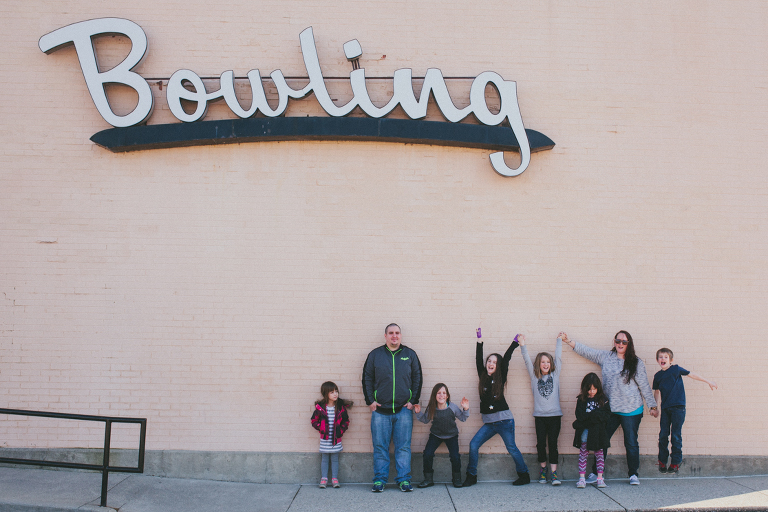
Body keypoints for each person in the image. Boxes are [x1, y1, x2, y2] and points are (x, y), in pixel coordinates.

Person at [562, 330, 658, 485]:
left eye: (624, 342)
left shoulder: (636, 362)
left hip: (631, 409)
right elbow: (587, 352)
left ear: (629, 344)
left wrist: (652, 405)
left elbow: (644, 385)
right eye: (618, 341)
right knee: (600, 440)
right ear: (614, 342)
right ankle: (596, 473)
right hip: (609, 410)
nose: (620, 344)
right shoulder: (606, 357)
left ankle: (633, 474)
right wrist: (568, 341)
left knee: (631, 442)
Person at [463, 329, 530, 487]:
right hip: (489, 423)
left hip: (504, 421)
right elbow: (478, 359)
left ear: (498, 366)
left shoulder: (501, 376)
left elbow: (506, 359)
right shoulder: (482, 375)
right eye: (489, 361)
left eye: (494, 362)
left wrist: (514, 343)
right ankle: (471, 476)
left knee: (511, 448)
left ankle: (524, 475)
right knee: (473, 445)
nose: (490, 364)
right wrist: (479, 340)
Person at [362, 323, 422, 492]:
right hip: (380, 411)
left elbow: (418, 378)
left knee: (403, 447)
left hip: (403, 410)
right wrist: (370, 401)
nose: (394, 336)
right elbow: (367, 378)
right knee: (380, 447)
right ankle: (380, 480)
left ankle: (403, 480)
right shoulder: (375, 355)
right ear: (385, 336)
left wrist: (413, 400)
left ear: (400, 335)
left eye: (397, 333)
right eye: (391, 333)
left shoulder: (409, 354)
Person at [653, 347, 717, 474]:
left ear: (671, 360)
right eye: (660, 357)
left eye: (666, 357)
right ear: (657, 360)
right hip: (665, 409)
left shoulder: (676, 369)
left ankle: (675, 463)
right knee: (663, 435)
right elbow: (656, 392)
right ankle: (662, 461)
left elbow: (691, 374)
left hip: (678, 408)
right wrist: (655, 408)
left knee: (675, 435)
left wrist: (708, 381)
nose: (663, 359)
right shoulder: (658, 376)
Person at [518, 334, 563, 485]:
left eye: (548, 362)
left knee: (553, 444)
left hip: (555, 416)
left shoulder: (555, 375)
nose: (546, 364)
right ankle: (543, 471)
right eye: (543, 362)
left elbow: (559, 356)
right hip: (540, 416)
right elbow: (526, 360)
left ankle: (554, 474)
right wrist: (522, 345)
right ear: (538, 364)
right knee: (540, 444)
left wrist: (559, 341)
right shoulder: (534, 376)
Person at [414, 383, 470, 488]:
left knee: (455, 457)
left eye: (444, 393)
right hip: (436, 435)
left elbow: (463, 418)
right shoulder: (432, 407)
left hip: (452, 435)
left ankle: (457, 479)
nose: (441, 395)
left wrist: (466, 409)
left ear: (447, 396)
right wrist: (418, 413)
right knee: (427, 454)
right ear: (434, 395)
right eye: (439, 393)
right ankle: (428, 479)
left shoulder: (452, 407)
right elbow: (425, 420)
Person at [572, 373, 611, 489]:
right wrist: (594, 417)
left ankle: (600, 478)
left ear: (598, 388)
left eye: (594, 389)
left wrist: (591, 416)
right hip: (585, 431)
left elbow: (606, 415)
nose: (592, 392)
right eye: (589, 389)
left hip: (598, 432)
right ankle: (582, 478)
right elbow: (580, 415)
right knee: (583, 454)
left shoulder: (603, 400)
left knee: (599, 455)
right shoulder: (581, 400)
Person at [310, 381, 352, 488]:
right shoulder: (321, 408)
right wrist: (321, 428)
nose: (335, 394)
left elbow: (346, 421)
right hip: (325, 438)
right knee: (324, 458)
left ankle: (334, 479)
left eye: (336, 391)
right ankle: (324, 479)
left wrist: (341, 431)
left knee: (334, 458)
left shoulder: (340, 408)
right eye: (332, 392)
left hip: (336, 439)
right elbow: (313, 421)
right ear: (326, 394)